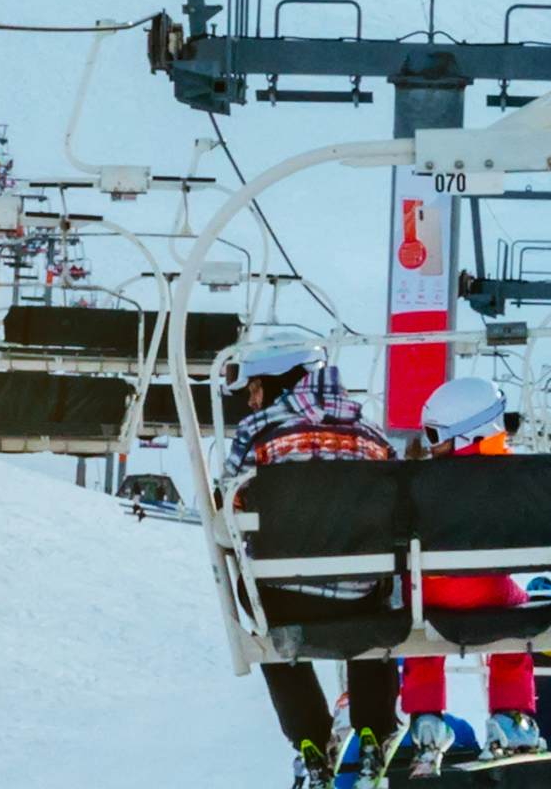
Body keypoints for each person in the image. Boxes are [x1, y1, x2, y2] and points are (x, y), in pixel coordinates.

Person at [218, 326, 402, 783]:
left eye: (256, 388)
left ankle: (312, 737)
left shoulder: (257, 433)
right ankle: (375, 729)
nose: (252, 401)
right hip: (358, 597)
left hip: (284, 598)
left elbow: (232, 507)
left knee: (262, 614)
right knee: (376, 612)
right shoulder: (370, 435)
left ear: (280, 380)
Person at [400, 375, 545, 754]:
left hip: (426, 594)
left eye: (434, 436)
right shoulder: (510, 475)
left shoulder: (417, 481)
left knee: (420, 624)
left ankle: (426, 717)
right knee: (517, 613)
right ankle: (511, 715)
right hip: (488, 592)